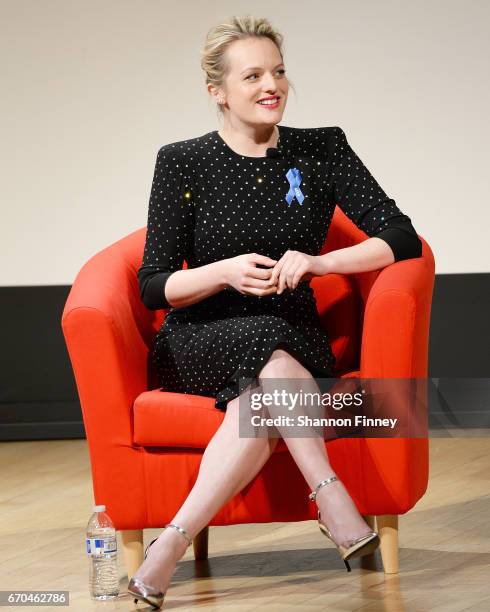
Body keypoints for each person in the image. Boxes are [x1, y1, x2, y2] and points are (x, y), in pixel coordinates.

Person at [128, 14, 422, 609]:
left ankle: (168, 547)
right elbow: (154, 287)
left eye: (280, 71)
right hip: (201, 337)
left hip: (293, 331)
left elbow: (401, 237)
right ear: (217, 91)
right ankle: (332, 497)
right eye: (254, 74)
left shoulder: (322, 148)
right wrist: (222, 272)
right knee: (263, 347)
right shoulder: (183, 162)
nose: (273, 85)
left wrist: (318, 265)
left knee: (262, 390)